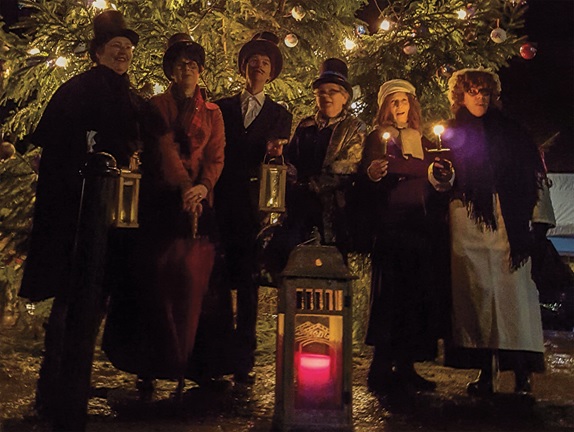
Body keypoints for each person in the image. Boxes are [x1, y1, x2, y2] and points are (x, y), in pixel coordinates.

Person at [18, 9, 161, 420]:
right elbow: (56, 154)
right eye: (116, 46)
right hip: (75, 217)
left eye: (128, 47)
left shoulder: (133, 99)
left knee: (96, 300)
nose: (124, 53)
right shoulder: (75, 92)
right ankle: (53, 392)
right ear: (98, 52)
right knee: (68, 302)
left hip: (115, 220)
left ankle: (74, 385)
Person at [101, 33, 229, 396]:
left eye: (193, 64)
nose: (187, 70)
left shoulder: (213, 113)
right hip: (162, 203)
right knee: (156, 280)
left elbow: (216, 155)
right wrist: (184, 187)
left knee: (202, 282)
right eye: (180, 64)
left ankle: (200, 363)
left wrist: (203, 187)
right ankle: (151, 363)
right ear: (171, 70)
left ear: (201, 71)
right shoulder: (156, 106)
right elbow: (164, 149)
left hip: (200, 203)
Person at [440, 68, 546, 396]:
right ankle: (486, 371)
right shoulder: (451, 133)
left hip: (509, 225)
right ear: (461, 96)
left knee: (516, 299)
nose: (480, 98)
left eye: (485, 92)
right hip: (469, 222)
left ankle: (522, 373)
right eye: (473, 91)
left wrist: (539, 220)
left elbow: (534, 174)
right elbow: (444, 179)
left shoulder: (512, 132)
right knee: (478, 296)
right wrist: (440, 175)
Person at [360, 79, 451, 396]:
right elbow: (370, 174)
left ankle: (407, 365)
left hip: (419, 227)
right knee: (389, 297)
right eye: (394, 101)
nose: (400, 106)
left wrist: (441, 175)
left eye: (404, 100)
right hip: (390, 228)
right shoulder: (378, 138)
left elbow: (435, 178)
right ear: (386, 106)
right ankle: (381, 366)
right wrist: (375, 173)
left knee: (415, 297)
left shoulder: (424, 141)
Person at [214, 31, 292, 384]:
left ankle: (243, 359)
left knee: (248, 283)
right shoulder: (221, 107)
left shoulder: (280, 114)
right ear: (243, 68)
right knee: (217, 280)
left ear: (271, 72)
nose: (258, 67)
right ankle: (214, 356)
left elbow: (276, 164)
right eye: (253, 62)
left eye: (265, 63)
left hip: (252, 206)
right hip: (220, 199)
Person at [285, 58, 366, 254]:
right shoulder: (306, 125)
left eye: (332, 91)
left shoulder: (354, 128)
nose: (326, 96)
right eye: (321, 92)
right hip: (300, 209)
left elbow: (347, 167)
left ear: (345, 97)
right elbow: (291, 159)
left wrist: (310, 185)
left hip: (335, 213)